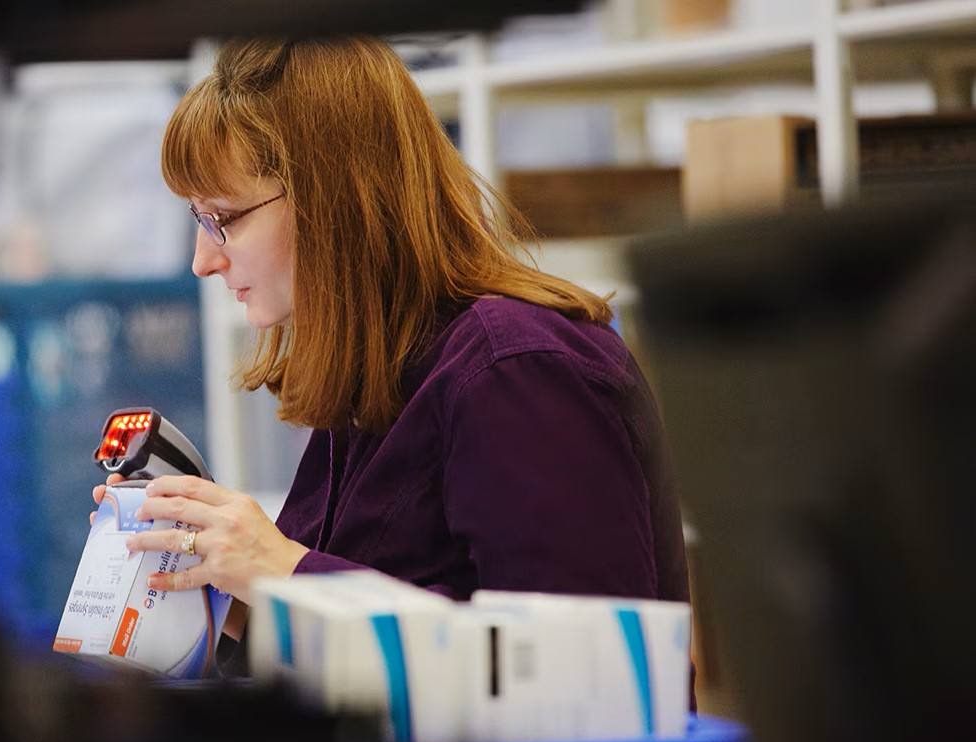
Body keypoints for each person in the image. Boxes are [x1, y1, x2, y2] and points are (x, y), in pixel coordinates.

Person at [92, 37, 689, 636]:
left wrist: (287, 576)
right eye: (197, 219)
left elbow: (584, 666)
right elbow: (372, 631)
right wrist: (229, 595)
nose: (202, 260)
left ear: (333, 198)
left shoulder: (517, 368)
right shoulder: (379, 377)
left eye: (222, 218)